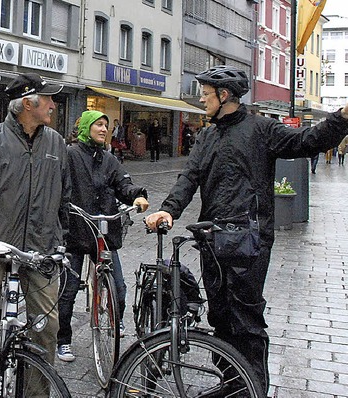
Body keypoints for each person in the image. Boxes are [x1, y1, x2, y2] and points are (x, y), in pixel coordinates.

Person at [144, 65, 348, 396]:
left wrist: (341, 117)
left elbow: (307, 141)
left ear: (225, 96)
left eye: (206, 94)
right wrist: (168, 209)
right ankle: (233, 383)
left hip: (248, 242)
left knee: (247, 322)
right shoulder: (208, 135)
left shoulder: (262, 129)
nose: (202, 100)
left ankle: (253, 389)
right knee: (221, 318)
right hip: (211, 239)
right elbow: (190, 176)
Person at [0, 72, 71, 380]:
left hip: (41, 247)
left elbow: (64, 197)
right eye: (47, 99)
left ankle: (36, 391)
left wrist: (62, 240)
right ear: (27, 104)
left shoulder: (57, 144)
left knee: (47, 326)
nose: (53, 106)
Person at [56, 110, 149, 362]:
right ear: (86, 127)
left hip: (103, 231)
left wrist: (136, 195)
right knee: (68, 289)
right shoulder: (71, 155)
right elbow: (59, 184)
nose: (103, 129)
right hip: (76, 230)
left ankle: (115, 320)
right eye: (98, 124)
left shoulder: (109, 159)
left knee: (118, 285)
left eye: (106, 126)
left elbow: (123, 184)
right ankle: (62, 339)